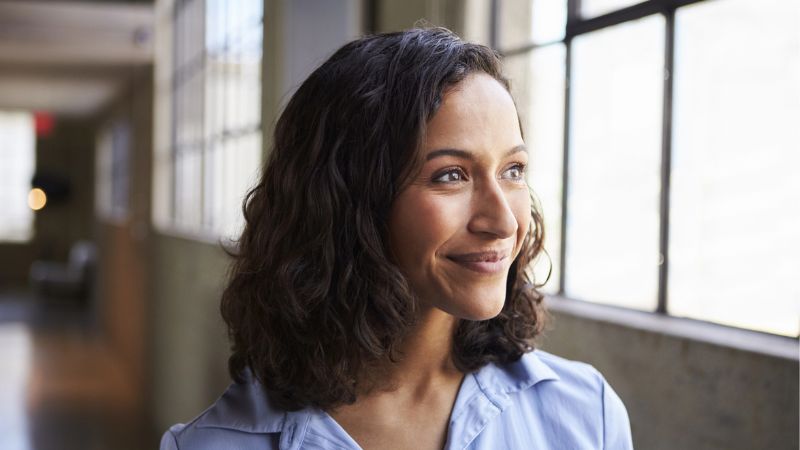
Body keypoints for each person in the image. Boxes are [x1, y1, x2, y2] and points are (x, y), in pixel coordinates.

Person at [160, 27, 633, 450]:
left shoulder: (587, 417)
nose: (504, 222)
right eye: (451, 175)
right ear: (349, 199)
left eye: (513, 170)